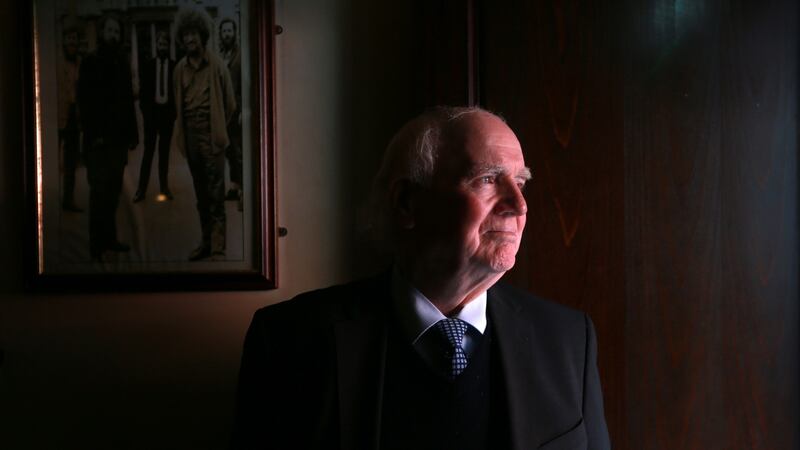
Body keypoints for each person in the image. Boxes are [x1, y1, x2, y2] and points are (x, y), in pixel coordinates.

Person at [231, 107, 611, 449]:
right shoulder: (288, 340)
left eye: (521, 182)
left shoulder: (569, 340)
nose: (519, 204)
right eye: (488, 180)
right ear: (407, 203)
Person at [171, 8, 236, 261]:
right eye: (185, 35)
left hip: (212, 136)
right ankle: (206, 242)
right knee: (201, 194)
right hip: (190, 136)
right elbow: (177, 106)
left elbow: (230, 104)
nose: (190, 39)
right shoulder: (179, 71)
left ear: (202, 35)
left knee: (216, 193)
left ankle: (218, 248)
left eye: (194, 34)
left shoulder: (217, 65)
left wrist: (217, 126)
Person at [78, 15, 138, 261]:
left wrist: (133, 135)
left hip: (118, 142)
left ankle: (110, 239)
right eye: (110, 30)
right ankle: (95, 246)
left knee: (113, 194)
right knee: (98, 195)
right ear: (103, 33)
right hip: (98, 143)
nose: (113, 35)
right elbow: (84, 102)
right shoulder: (91, 61)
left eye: (117, 31)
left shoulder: (122, 61)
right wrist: (95, 136)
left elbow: (127, 103)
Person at [133, 30, 175, 203]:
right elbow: (143, 95)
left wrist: (174, 114)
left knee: (164, 154)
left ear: (168, 47)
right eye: (160, 45)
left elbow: (176, 93)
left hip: (167, 117)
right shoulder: (148, 65)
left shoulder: (174, 66)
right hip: (152, 116)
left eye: (165, 45)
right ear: (156, 46)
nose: (162, 47)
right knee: (148, 153)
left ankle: (164, 188)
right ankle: (141, 190)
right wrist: (147, 115)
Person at [218, 17, 243, 211]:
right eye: (224, 31)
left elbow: (244, 85)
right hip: (223, 113)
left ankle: (243, 190)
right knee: (229, 153)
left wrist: (242, 110)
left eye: (229, 31)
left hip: (236, 112)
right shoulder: (220, 56)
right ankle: (234, 187)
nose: (227, 34)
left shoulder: (240, 55)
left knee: (238, 152)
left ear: (234, 33)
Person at [57, 23, 82, 212]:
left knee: (71, 163)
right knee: (51, 160)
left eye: (74, 38)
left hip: (74, 117)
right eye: (69, 38)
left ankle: (68, 201)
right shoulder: (57, 63)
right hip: (57, 116)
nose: (72, 42)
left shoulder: (80, 63)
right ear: (64, 41)